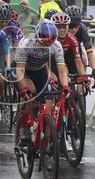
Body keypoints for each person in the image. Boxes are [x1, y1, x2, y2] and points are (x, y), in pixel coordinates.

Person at [13, 20, 69, 148]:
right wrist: (24, 88)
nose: (46, 46)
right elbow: (19, 70)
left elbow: (61, 70)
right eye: (43, 43)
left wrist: (65, 86)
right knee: (30, 92)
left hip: (39, 70)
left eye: (49, 44)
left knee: (50, 103)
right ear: (37, 37)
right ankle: (24, 127)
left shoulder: (57, 46)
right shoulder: (26, 43)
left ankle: (46, 141)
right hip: (23, 70)